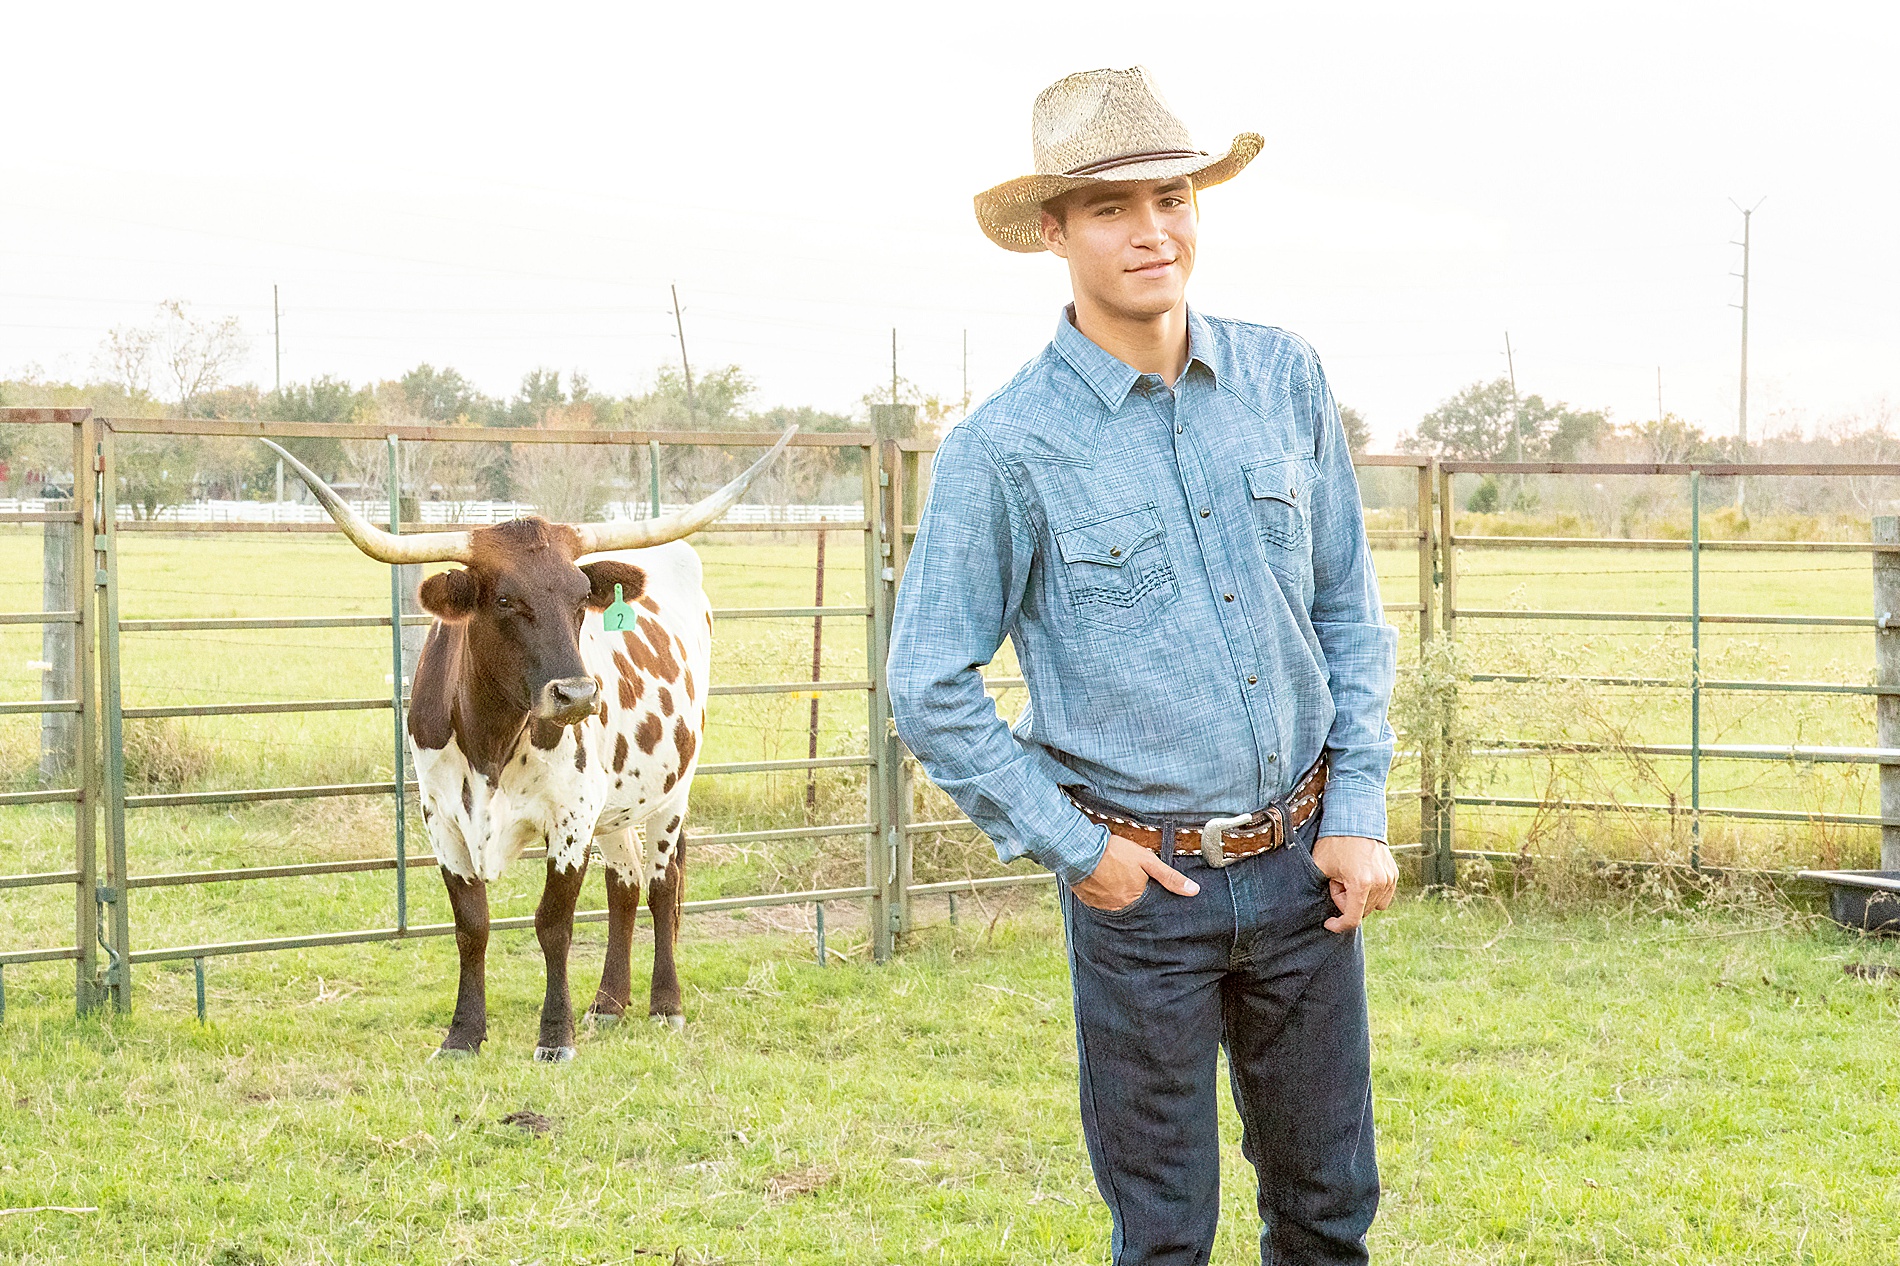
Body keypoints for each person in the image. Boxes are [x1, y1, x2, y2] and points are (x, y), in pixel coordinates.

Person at [887, 67, 1400, 1265]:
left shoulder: (1283, 379)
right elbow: (928, 681)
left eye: (1171, 196)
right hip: (1141, 896)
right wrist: (1078, 850)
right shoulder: (1005, 449)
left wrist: (1358, 807)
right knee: (1163, 1236)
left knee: (1328, 1215)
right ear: (1054, 233)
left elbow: (1346, 609)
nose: (1150, 230)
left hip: (1301, 877)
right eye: (1111, 207)